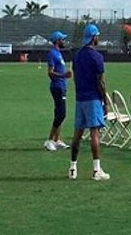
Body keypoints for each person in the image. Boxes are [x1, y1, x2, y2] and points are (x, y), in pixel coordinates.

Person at [69, 24, 110, 181]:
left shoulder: (77, 55)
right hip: (93, 99)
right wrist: (105, 101)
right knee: (95, 133)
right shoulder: (96, 57)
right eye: (97, 35)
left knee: (77, 134)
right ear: (94, 38)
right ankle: (96, 170)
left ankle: (72, 168)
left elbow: (75, 76)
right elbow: (101, 82)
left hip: (80, 98)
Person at [45, 31, 72, 151]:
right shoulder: (52, 53)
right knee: (62, 114)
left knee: (59, 114)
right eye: (62, 39)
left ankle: (57, 139)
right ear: (57, 41)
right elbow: (50, 73)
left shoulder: (58, 53)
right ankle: (50, 140)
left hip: (62, 86)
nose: (64, 41)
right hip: (57, 87)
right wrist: (64, 75)